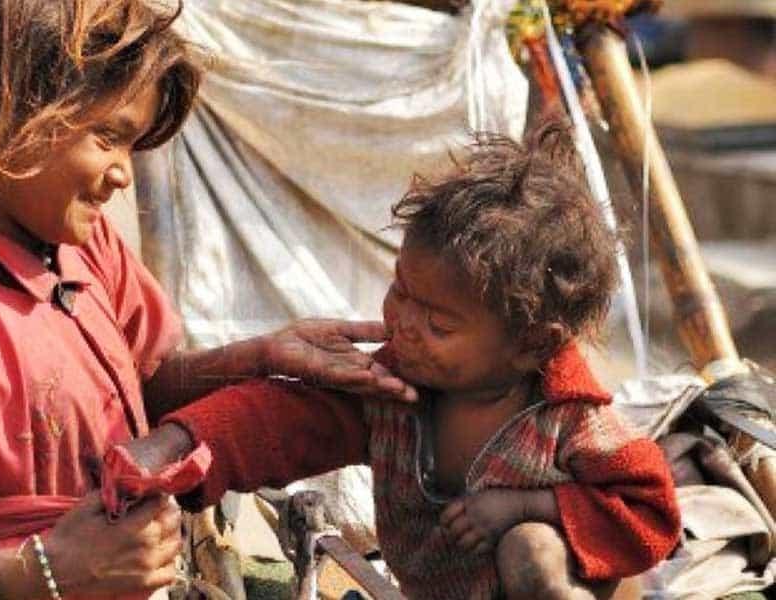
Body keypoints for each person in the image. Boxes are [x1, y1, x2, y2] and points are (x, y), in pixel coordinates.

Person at [0, 2, 417, 599]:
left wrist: (260, 358)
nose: (123, 172)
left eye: (131, 145)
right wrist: (45, 571)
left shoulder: (83, 249)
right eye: (107, 137)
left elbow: (144, 387)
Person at [134, 122, 683, 599]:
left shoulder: (571, 423)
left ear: (532, 345)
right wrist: (174, 445)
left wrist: (527, 508)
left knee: (531, 551)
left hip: (554, 588)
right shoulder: (394, 393)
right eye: (399, 291)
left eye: (439, 324)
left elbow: (651, 513)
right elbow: (277, 421)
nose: (404, 324)